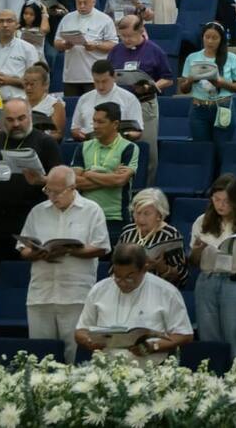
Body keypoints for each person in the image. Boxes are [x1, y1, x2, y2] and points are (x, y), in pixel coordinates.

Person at [18, 165, 110, 364]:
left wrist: (68, 250)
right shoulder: (38, 211)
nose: (52, 196)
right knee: (40, 356)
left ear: (72, 188)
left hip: (75, 294)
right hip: (40, 294)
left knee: (74, 355)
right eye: (48, 190)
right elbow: (22, 248)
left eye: (57, 192)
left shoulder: (91, 210)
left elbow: (101, 248)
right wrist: (37, 253)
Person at [74, 242, 193, 364]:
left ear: (144, 268)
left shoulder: (166, 292)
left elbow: (184, 335)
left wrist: (154, 346)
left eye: (129, 277)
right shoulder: (99, 289)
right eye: (117, 276)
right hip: (106, 367)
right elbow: (80, 331)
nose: (123, 282)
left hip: (151, 371)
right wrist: (89, 341)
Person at [189, 173, 236, 358]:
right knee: (208, 338)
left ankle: (235, 378)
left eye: (226, 201)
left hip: (235, 281)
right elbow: (193, 261)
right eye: (217, 199)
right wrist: (198, 249)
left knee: (234, 337)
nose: (221, 205)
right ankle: (211, 379)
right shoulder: (202, 220)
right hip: (207, 280)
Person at [0, 99, 62, 277]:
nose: (16, 124)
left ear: (30, 117)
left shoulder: (45, 142)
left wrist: (42, 180)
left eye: (21, 118)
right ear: (3, 120)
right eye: (10, 120)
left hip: (27, 218)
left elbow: (60, 183)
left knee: (22, 273)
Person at [107, 15, 173, 183]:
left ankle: (146, 187)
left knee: (147, 149)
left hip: (145, 102)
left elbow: (168, 78)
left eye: (130, 36)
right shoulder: (116, 50)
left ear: (141, 31)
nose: (126, 40)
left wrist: (151, 86)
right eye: (123, 36)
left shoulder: (154, 50)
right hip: (121, 105)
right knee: (120, 148)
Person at [71, 102, 139, 243]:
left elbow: (120, 181)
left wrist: (88, 173)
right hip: (85, 215)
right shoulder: (83, 146)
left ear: (115, 124)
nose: (95, 126)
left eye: (101, 122)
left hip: (116, 217)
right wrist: (110, 176)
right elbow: (75, 182)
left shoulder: (129, 148)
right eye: (94, 121)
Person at [179, 20, 236, 144]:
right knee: (202, 149)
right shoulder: (192, 57)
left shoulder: (231, 58)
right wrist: (190, 81)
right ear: (202, 37)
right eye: (207, 37)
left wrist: (221, 83)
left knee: (222, 147)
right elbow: (183, 89)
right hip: (199, 108)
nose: (210, 41)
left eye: (215, 38)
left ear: (221, 39)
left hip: (223, 106)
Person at [117, 187, 188, 287]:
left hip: (157, 291)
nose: (140, 218)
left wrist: (161, 267)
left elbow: (182, 276)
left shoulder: (170, 234)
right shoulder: (127, 231)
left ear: (159, 214)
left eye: (147, 214)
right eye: (137, 213)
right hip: (127, 286)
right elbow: (114, 265)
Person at [54, 0, 118, 97]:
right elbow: (56, 42)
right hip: (71, 76)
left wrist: (96, 45)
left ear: (93, 2)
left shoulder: (105, 19)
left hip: (94, 77)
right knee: (72, 108)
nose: (82, 6)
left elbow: (113, 45)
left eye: (85, 2)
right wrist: (64, 44)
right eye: (79, 3)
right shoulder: (67, 18)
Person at [69, 60, 143, 142]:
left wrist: (121, 136)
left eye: (104, 81)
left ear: (114, 77)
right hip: (90, 144)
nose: (100, 86)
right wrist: (78, 134)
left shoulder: (129, 98)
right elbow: (75, 128)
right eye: (96, 81)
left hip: (119, 145)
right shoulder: (84, 98)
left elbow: (137, 131)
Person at [0, 8, 40, 103]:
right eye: (1, 21)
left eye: (9, 21)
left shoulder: (28, 49)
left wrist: (9, 80)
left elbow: (36, 83)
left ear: (17, 24)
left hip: (17, 104)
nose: (5, 25)